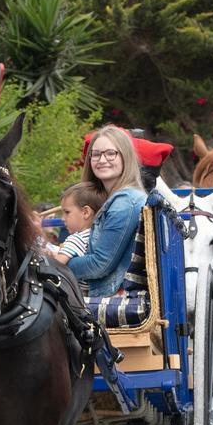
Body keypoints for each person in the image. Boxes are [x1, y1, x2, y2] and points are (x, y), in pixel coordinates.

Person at [66, 126, 148, 299]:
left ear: (125, 156)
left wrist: (57, 263)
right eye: (95, 154)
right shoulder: (117, 199)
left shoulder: (125, 202)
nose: (102, 160)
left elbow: (100, 265)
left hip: (112, 299)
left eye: (111, 153)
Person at [47, 182, 104, 267]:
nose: (62, 218)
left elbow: (55, 267)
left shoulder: (76, 240)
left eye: (67, 212)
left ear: (86, 212)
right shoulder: (100, 236)